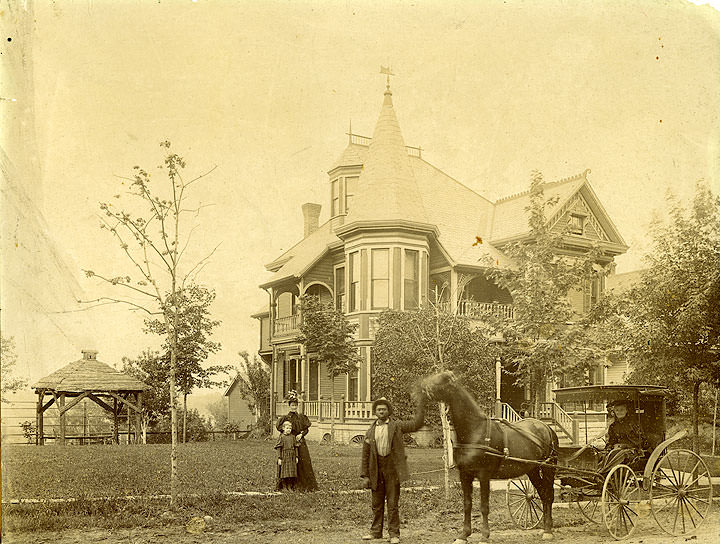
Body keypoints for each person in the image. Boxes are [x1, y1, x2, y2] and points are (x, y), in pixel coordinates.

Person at [360, 397, 424, 544]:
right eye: (378, 409)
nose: (381, 411)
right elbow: (365, 455)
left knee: (393, 503)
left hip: (392, 470)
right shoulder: (370, 431)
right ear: (375, 412)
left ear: (388, 411)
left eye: (384, 409)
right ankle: (376, 532)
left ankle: (394, 534)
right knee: (376, 504)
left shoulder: (397, 426)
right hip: (376, 470)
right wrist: (365, 475)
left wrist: (422, 406)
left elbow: (416, 424)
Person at [275, 395, 319, 491]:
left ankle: (304, 485)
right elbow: (279, 427)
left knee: (303, 461)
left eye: (295, 405)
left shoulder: (301, 417)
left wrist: (301, 435)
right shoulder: (286, 418)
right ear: (289, 406)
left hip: (300, 441)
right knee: (289, 462)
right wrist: (288, 436)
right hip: (289, 443)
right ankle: (288, 485)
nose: (294, 407)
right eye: (292, 405)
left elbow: (306, 429)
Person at [598, 398, 644, 472]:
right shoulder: (613, 426)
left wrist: (624, 446)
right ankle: (598, 470)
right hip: (617, 449)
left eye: (622, 410)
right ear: (614, 412)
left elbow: (640, 440)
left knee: (620, 453)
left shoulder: (633, 424)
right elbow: (611, 441)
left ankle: (604, 472)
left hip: (632, 451)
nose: (619, 412)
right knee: (602, 454)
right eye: (617, 410)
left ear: (626, 411)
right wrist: (609, 447)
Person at [275, 421, 299, 490]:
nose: (289, 430)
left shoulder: (293, 437)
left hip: (292, 456)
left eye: (290, 428)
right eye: (287, 428)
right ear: (283, 428)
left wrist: (296, 457)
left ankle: (289, 486)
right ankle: (284, 486)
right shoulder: (282, 437)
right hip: (284, 456)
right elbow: (279, 448)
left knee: (291, 473)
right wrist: (279, 458)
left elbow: (296, 447)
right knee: (284, 472)